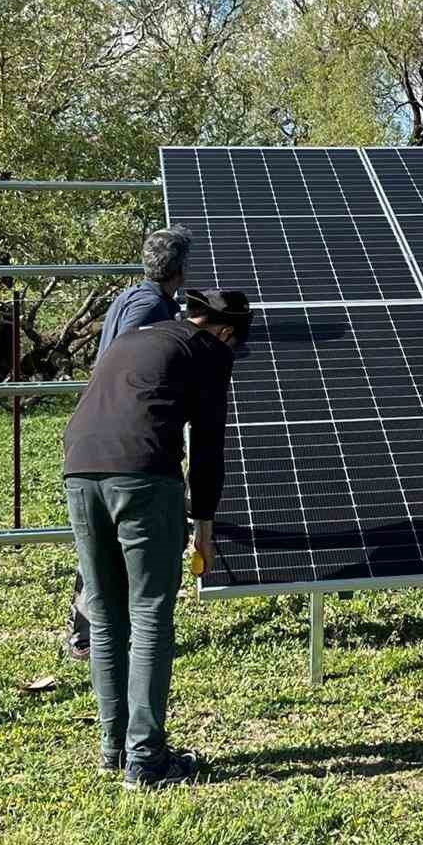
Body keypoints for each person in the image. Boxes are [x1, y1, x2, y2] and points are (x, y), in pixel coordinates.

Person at [61, 286, 252, 790]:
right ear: (225, 331)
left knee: (103, 613)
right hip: (143, 475)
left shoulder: (137, 336)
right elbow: (208, 445)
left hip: (79, 469)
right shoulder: (208, 350)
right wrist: (204, 524)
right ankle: (146, 760)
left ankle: (113, 749)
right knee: (149, 614)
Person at [64, 226, 193, 660]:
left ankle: (89, 634)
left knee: (99, 544)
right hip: (128, 435)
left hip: (93, 431)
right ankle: (94, 636)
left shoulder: (128, 296)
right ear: (179, 270)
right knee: (126, 547)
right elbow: (141, 361)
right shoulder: (150, 307)